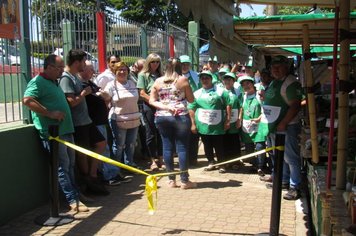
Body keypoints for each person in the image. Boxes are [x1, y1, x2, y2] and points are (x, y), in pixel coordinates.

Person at [23, 54, 88, 212]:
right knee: (62, 167)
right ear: (49, 67)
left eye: (61, 68)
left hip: (66, 130)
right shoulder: (37, 82)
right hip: (53, 133)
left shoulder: (54, 81)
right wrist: (49, 113)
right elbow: (27, 100)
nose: (61, 71)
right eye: (58, 68)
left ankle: (76, 194)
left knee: (71, 165)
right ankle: (72, 199)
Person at [59, 49, 108, 196]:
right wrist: (84, 93)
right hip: (78, 123)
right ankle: (87, 182)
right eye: (83, 62)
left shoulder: (74, 76)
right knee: (82, 153)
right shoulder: (66, 78)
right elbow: (71, 102)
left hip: (86, 120)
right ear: (76, 62)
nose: (85, 65)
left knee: (101, 143)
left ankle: (92, 175)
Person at [78, 61, 131, 186]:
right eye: (91, 70)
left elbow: (106, 96)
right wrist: (100, 94)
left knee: (106, 148)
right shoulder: (81, 85)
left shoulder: (90, 83)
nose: (93, 73)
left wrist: (101, 94)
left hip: (101, 121)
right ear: (83, 70)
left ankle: (110, 173)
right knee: (104, 149)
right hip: (93, 122)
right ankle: (108, 176)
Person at [260, 55, 303, 200]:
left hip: (287, 126)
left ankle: (295, 186)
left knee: (291, 157)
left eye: (279, 67)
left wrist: (284, 123)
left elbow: (295, 105)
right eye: (273, 67)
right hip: (275, 126)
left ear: (286, 67)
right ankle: (283, 181)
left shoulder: (290, 82)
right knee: (281, 156)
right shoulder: (275, 82)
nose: (275, 70)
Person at [149, 58, 196, 189]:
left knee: (167, 147)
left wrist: (166, 107)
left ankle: (171, 180)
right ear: (180, 67)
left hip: (162, 117)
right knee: (182, 148)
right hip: (180, 116)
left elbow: (152, 101)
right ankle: (185, 181)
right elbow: (191, 99)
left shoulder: (158, 81)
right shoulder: (183, 80)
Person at [188, 70, 231, 173]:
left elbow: (228, 105)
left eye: (207, 78)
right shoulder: (197, 93)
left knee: (219, 145)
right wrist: (193, 124)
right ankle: (211, 162)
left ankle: (221, 164)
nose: (205, 80)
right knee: (207, 145)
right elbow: (191, 109)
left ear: (211, 79)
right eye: (202, 78)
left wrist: (227, 121)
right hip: (203, 126)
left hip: (218, 125)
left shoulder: (221, 91)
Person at [102, 61, 141, 170]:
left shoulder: (132, 83)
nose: (122, 72)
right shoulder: (111, 85)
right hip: (118, 120)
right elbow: (106, 99)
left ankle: (129, 165)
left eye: (124, 69)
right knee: (119, 145)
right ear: (115, 72)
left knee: (131, 144)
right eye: (120, 69)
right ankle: (117, 168)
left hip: (134, 119)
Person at [137, 53, 164, 171]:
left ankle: (161, 158)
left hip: (162, 106)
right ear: (148, 62)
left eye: (157, 62)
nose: (155, 64)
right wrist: (153, 102)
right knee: (150, 133)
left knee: (161, 132)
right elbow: (142, 93)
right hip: (149, 106)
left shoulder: (161, 75)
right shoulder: (142, 75)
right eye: (153, 62)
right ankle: (152, 159)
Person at [238, 75, 266, 176]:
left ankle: (260, 166)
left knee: (259, 146)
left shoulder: (259, 95)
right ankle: (254, 165)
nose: (246, 86)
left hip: (259, 125)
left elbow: (265, 107)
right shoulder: (243, 96)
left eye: (248, 83)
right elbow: (241, 108)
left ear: (252, 84)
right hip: (247, 125)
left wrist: (259, 118)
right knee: (249, 147)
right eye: (243, 84)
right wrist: (239, 119)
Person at [180, 55, 200, 167]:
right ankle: (185, 160)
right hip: (181, 108)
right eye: (183, 64)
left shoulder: (195, 76)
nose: (185, 66)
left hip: (193, 107)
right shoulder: (175, 77)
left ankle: (193, 159)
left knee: (194, 133)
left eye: (187, 64)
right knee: (183, 134)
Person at [221, 72, 241, 172]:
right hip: (223, 121)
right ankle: (226, 162)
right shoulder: (220, 92)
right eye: (226, 79)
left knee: (235, 142)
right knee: (224, 142)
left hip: (234, 122)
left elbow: (241, 107)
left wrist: (239, 120)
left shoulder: (238, 92)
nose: (228, 81)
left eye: (230, 79)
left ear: (234, 81)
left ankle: (236, 162)